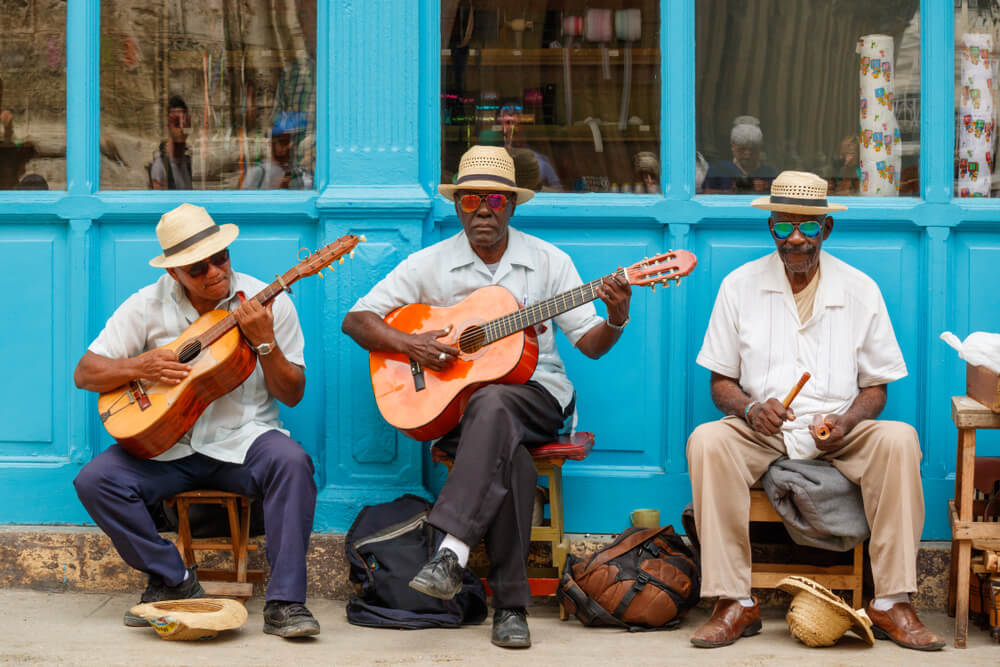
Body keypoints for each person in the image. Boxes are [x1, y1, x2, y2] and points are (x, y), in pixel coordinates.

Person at [342, 145, 632, 649]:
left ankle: (450, 549)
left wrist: (618, 317)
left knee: (496, 401)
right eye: (471, 199)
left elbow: (591, 344)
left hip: (539, 397)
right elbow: (356, 319)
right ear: (457, 205)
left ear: (512, 205)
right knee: (512, 461)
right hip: (459, 409)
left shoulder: (549, 262)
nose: (482, 210)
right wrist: (410, 343)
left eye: (494, 200)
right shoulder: (429, 264)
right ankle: (512, 609)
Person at [686, 171, 944, 651]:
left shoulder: (860, 288)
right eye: (784, 227)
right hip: (762, 431)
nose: (796, 239)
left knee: (899, 439)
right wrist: (748, 410)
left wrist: (846, 422)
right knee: (707, 441)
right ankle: (733, 601)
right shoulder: (738, 286)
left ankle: (892, 601)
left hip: (836, 432)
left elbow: (876, 388)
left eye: (809, 227)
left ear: (827, 229)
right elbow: (720, 383)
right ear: (772, 230)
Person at [72, 203, 320, 638]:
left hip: (244, 442)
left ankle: (286, 604)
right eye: (196, 267)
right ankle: (175, 579)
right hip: (169, 447)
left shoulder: (267, 302)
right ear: (175, 274)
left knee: (292, 463)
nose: (213, 272)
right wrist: (140, 367)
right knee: (96, 479)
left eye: (219, 258)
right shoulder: (145, 305)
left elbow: (293, 393)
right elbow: (85, 372)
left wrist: (265, 344)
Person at [703, 116, 779, 194]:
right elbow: (705, 195)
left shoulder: (771, 174)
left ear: (760, 148)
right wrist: (730, 191)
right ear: (733, 146)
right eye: (742, 149)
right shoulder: (717, 171)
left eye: (753, 150)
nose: (747, 154)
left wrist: (768, 187)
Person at [242, 113, 307, 190]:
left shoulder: (298, 172)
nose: (290, 146)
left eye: (294, 141)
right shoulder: (257, 173)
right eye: (284, 141)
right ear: (272, 143)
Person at [149, 95, 193, 190]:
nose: (182, 129)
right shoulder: (160, 166)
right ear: (169, 125)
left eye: (185, 123)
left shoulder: (187, 162)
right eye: (177, 123)